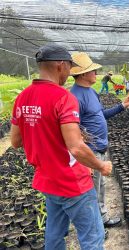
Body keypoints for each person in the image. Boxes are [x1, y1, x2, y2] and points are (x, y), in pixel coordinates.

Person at [10, 44, 112, 249]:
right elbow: (75, 147)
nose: (69, 72)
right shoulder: (63, 97)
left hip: (47, 180)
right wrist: (101, 166)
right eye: (69, 67)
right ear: (60, 65)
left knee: (55, 236)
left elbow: (15, 142)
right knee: (93, 237)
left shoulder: (23, 97)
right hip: (72, 182)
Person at [70, 52, 129, 230]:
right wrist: (86, 159)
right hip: (89, 151)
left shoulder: (92, 92)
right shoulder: (74, 97)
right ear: (83, 74)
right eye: (93, 71)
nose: (96, 74)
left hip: (101, 147)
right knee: (90, 192)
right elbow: (73, 129)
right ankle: (95, 228)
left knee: (100, 187)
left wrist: (123, 105)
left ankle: (102, 219)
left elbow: (101, 115)